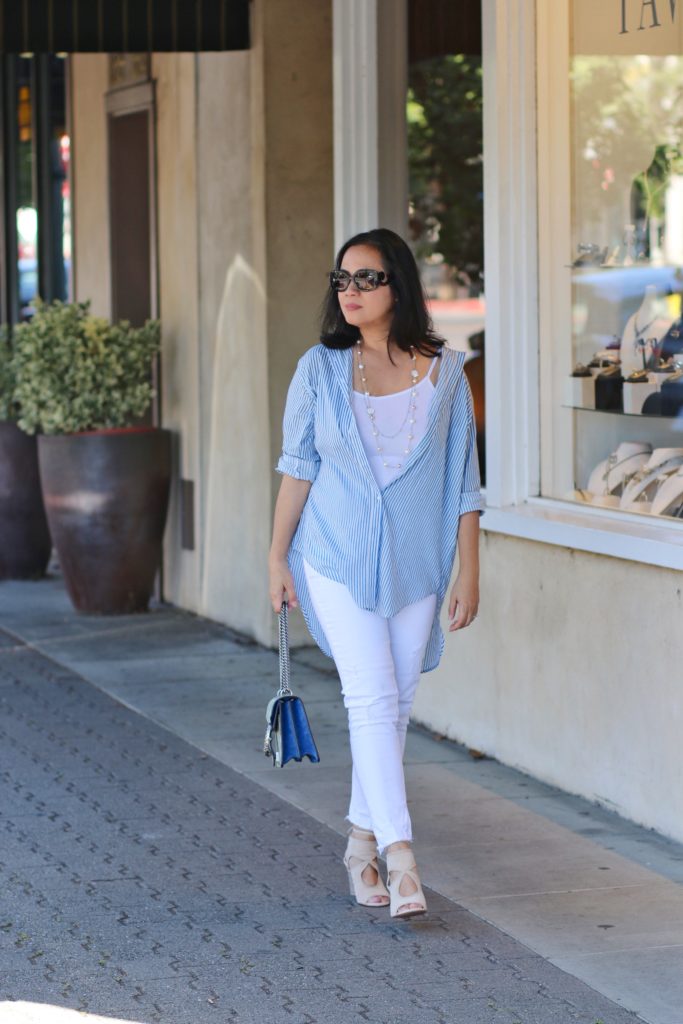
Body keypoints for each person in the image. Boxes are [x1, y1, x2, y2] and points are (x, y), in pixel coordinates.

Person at [268, 228, 484, 919]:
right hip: (333, 555)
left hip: (419, 563)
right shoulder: (321, 368)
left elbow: (463, 484)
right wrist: (276, 555)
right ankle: (401, 859)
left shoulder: (445, 373)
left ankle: (359, 843)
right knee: (368, 695)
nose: (351, 292)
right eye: (343, 280)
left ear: (400, 285)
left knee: (393, 705)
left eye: (367, 279)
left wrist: (468, 571)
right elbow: (298, 464)